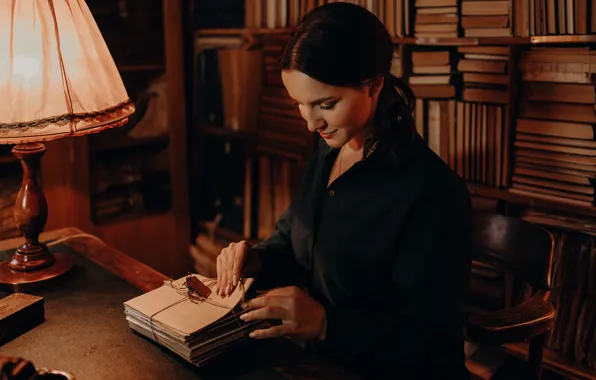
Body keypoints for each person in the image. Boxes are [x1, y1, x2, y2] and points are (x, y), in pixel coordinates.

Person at [215, 3, 472, 379]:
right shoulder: (328, 152)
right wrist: (255, 259)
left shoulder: (432, 194)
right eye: (300, 105)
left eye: (326, 104)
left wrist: (325, 324)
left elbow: (431, 348)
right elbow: (294, 241)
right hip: (315, 362)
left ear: (374, 84)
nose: (311, 123)